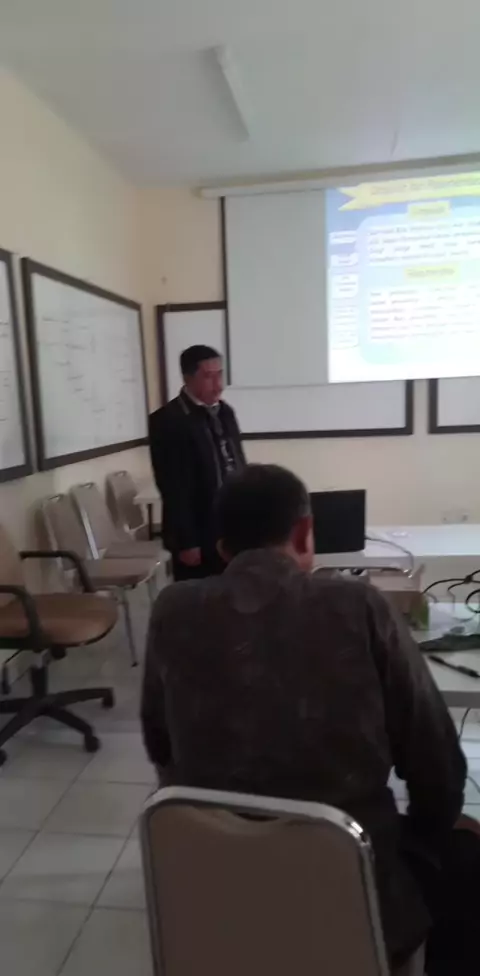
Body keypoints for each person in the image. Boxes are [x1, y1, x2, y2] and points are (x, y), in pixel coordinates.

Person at [141, 463, 480, 975]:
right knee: (464, 845)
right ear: (303, 532)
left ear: (223, 548)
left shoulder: (172, 609)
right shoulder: (358, 604)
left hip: (219, 889)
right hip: (353, 892)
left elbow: (160, 744)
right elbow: (436, 761)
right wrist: (424, 833)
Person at [149, 344, 245, 580]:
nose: (218, 384)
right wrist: (187, 541)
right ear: (187, 378)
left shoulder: (225, 412)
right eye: (208, 376)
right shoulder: (168, 420)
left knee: (233, 590)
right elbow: (172, 487)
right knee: (199, 595)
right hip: (198, 531)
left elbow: (237, 461)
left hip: (231, 523)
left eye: (220, 374)